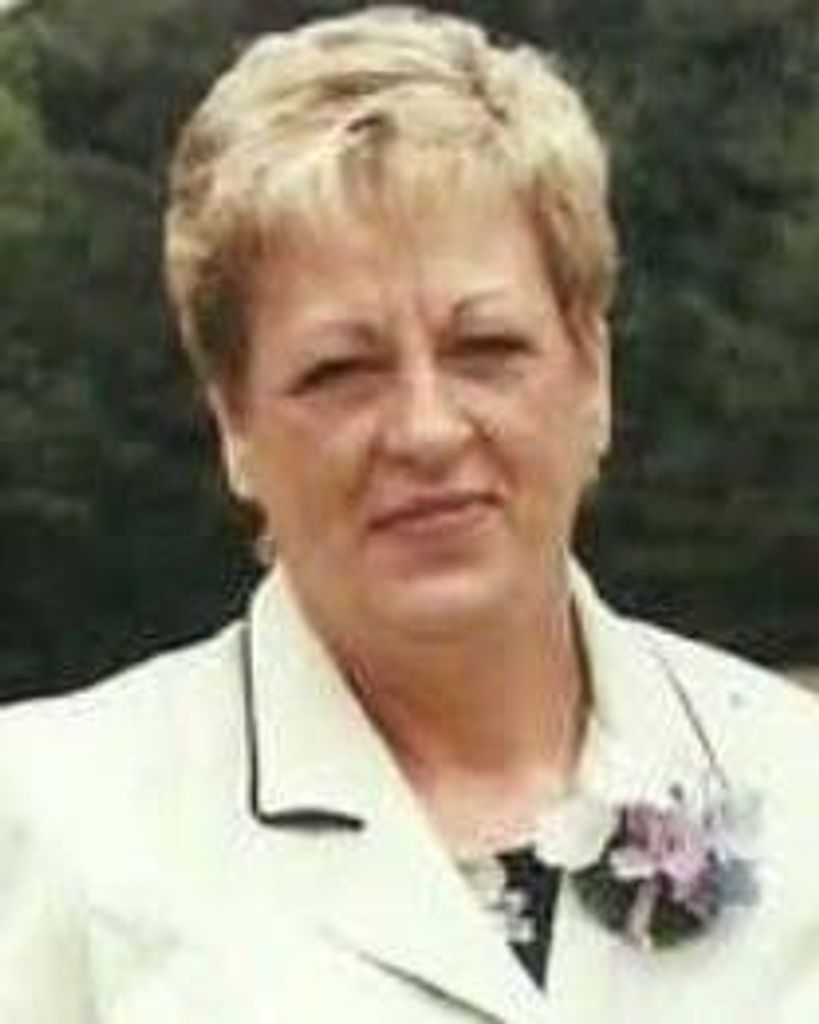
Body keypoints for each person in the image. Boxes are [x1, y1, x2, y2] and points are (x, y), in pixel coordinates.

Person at [1, 6, 817, 1021]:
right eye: (340, 370)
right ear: (236, 425)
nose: (426, 430)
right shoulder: (46, 826)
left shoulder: (798, 778)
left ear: (591, 374)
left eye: (487, 349)